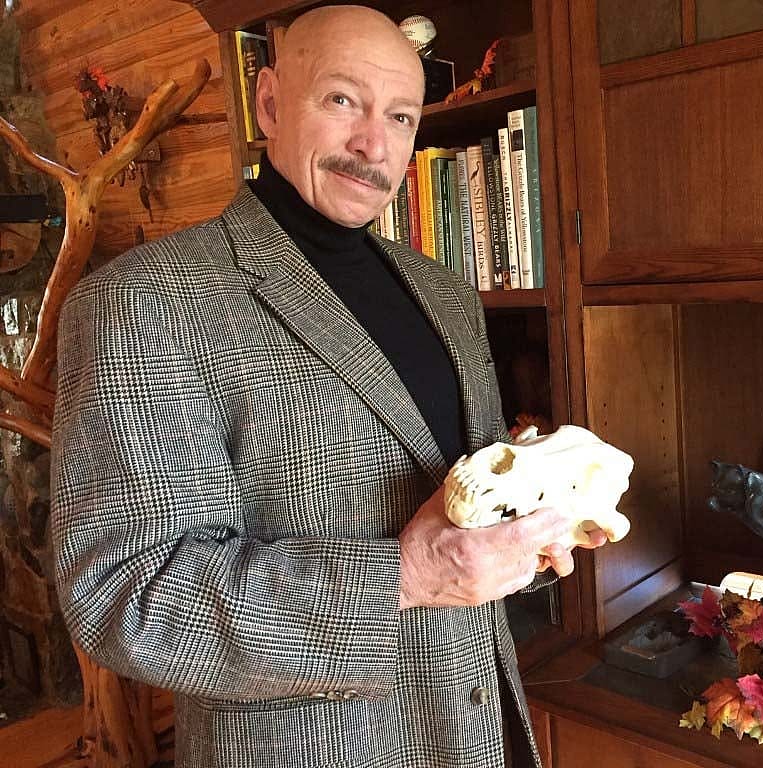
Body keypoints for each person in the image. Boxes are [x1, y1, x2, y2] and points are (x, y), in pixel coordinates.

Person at [50, 6, 606, 767]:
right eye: (342, 99)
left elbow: (452, 492)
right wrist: (407, 575)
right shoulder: (144, 302)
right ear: (272, 103)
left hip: (481, 730)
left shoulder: (445, 293)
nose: (373, 144)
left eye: (401, 116)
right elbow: (125, 599)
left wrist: (539, 508)